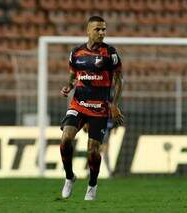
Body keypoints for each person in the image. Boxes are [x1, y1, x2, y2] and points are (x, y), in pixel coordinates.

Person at [59, 15, 124, 200]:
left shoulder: (110, 54)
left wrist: (114, 104)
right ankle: (70, 177)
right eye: (98, 29)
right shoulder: (76, 53)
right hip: (78, 104)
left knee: (93, 150)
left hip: (100, 108)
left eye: (104, 29)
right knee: (65, 139)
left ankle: (92, 186)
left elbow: (119, 79)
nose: (102, 32)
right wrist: (69, 87)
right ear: (88, 31)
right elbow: (73, 75)